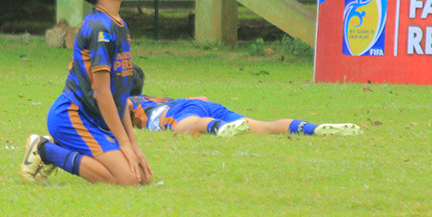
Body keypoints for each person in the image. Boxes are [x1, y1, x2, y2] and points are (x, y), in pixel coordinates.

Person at [21, 0, 152, 186]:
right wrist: (123, 144)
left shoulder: (119, 25)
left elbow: (119, 95)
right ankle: (45, 150)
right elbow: (102, 93)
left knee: (141, 177)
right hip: (72, 117)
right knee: (129, 180)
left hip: (94, 120)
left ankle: (60, 149)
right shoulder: (99, 28)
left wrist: (134, 146)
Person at [127, 65, 362, 138]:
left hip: (180, 113)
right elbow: (202, 98)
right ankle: (312, 129)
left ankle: (217, 128)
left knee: (185, 126)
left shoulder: (126, 100)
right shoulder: (155, 97)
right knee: (263, 126)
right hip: (194, 104)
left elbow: (123, 108)